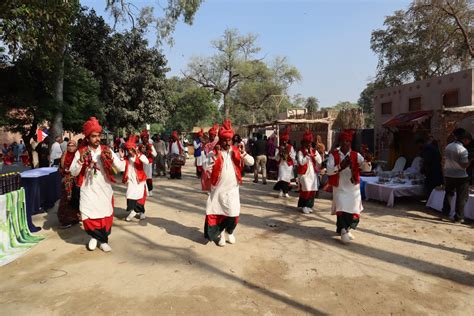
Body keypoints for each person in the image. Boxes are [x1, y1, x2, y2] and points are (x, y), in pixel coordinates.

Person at [69, 117, 126, 252]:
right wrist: (81, 161)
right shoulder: (81, 152)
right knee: (88, 214)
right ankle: (94, 237)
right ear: (88, 138)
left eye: (98, 136)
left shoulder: (107, 150)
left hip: (104, 187)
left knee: (105, 214)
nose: (97, 139)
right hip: (87, 188)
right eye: (93, 136)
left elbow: (121, 167)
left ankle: (102, 240)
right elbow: (73, 172)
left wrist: (113, 159)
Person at [203, 119, 254, 246]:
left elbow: (251, 162)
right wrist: (213, 157)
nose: (226, 143)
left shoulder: (237, 151)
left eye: (229, 140)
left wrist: (244, 154)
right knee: (218, 213)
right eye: (224, 140)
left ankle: (229, 232)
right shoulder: (214, 152)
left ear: (232, 140)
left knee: (233, 213)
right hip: (218, 191)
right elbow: (205, 166)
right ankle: (219, 234)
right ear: (220, 140)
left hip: (232, 190)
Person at [327, 130, 364, 244]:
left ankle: (346, 229)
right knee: (342, 207)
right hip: (340, 188)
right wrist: (340, 166)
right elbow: (329, 171)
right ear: (340, 142)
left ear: (350, 143)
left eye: (348, 141)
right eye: (343, 141)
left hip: (353, 189)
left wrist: (368, 161)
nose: (346, 143)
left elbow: (366, 168)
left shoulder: (356, 155)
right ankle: (343, 230)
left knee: (353, 210)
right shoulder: (333, 156)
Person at [442, 128, 473, 223]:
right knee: (461, 197)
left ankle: (445, 213)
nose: (468, 142)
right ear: (464, 139)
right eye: (468, 140)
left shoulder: (448, 146)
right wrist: (471, 160)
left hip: (448, 174)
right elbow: (464, 165)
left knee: (448, 194)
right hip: (460, 176)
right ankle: (458, 217)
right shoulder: (462, 150)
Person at [123, 135, 149, 222]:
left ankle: (139, 212)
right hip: (131, 180)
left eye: (131, 149)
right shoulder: (127, 157)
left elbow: (147, 161)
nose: (130, 151)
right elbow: (122, 166)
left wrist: (137, 153)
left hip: (139, 180)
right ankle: (133, 210)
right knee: (130, 195)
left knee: (140, 196)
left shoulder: (140, 156)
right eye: (128, 150)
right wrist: (121, 156)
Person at [297, 129, 322, 214]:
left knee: (312, 190)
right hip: (304, 174)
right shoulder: (300, 152)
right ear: (303, 143)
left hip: (313, 173)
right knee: (306, 189)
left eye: (309, 143)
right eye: (306, 143)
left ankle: (309, 205)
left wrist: (314, 155)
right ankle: (304, 206)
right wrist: (307, 156)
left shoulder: (314, 151)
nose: (308, 145)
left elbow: (320, 161)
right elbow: (301, 162)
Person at [57, 140, 81, 229]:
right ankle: (66, 220)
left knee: (76, 199)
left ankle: (75, 218)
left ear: (76, 146)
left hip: (76, 181)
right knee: (65, 200)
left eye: (73, 145)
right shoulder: (64, 155)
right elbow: (60, 168)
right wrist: (64, 171)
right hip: (67, 181)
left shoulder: (78, 155)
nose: (71, 147)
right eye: (69, 145)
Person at [274, 127, 296, 198]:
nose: (284, 142)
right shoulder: (278, 148)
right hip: (282, 165)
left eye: (285, 140)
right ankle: (281, 191)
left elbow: (293, 156)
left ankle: (285, 192)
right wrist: (279, 154)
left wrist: (288, 155)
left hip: (288, 165)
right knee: (282, 177)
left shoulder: (291, 147)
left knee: (287, 179)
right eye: (283, 140)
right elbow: (276, 158)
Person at [201, 123, 219, 192]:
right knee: (207, 174)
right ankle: (209, 188)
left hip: (216, 160)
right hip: (209, 161)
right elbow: (206, 153)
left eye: (213, 135)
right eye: (210, 135)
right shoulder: (207, 144)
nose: (211, 137)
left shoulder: (217, 142)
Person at [139, 130, 157, 196]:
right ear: (141, 138)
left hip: (149, 163)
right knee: (142, 177)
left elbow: (155, 154)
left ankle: (150, 190)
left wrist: (150, 151)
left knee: (149, 177)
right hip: (141, 163)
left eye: (146, 137)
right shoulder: (140, 146)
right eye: (143, 138)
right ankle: (143, 191)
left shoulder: (150, 145)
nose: (145, 139)